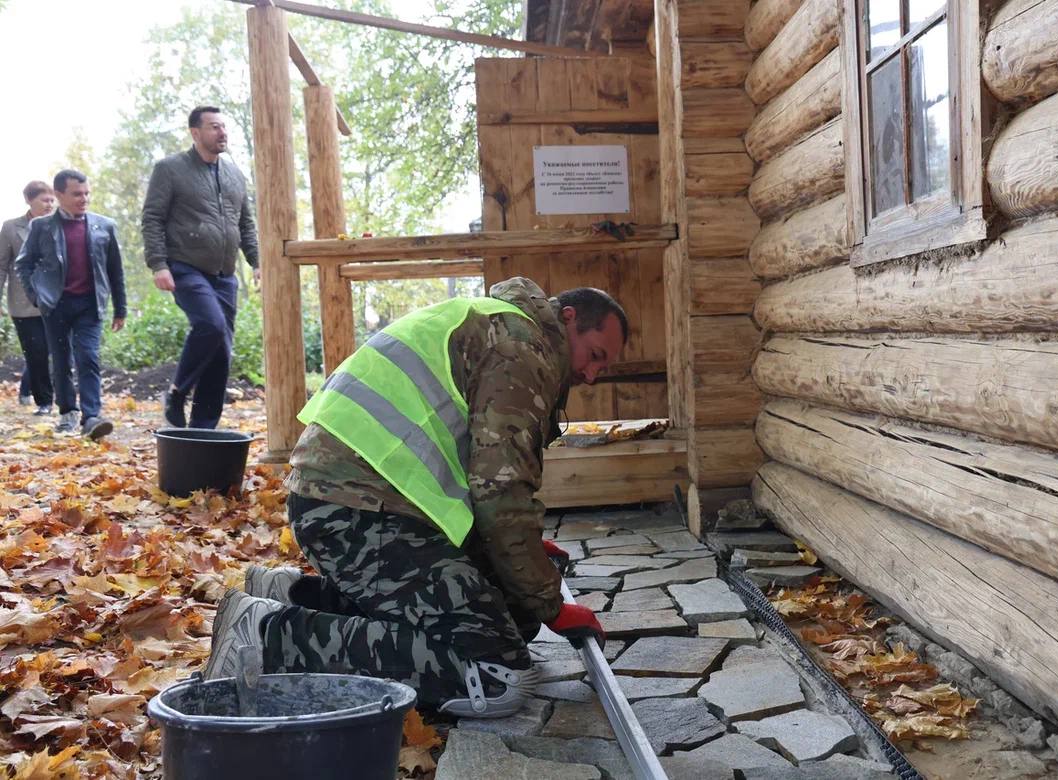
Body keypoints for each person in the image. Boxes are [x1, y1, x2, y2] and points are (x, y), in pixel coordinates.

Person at [204, 277, 624, 716]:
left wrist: (525, 565)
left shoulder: (495, 323)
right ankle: (267, 636)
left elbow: (483, 478)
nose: (591, 375)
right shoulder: (522, 347)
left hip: (357, 502)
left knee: (513, 615)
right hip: (357, 511)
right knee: (497, 675)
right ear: (569, 318)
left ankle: (294, 596)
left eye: (602, 368)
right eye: (594, 356)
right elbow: (502, 490)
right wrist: (552, 605)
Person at [141, 105, 259, 430]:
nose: (222, 133)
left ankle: (202, 429)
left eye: (224, 127)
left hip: (225, 274)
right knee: (210, 325)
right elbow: (152, 218)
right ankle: (177, 392)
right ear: (195, 133)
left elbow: (246, 224)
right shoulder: (170, 169)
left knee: (221, 352)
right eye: (214, 127)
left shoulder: (235, 175)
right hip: (185, 266)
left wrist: (257, 262)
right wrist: (158, 264)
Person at [16, 170, 125, 439]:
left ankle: (92, 417)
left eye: (87, 193)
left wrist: (120, 308)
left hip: (90, 305)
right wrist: (37, 297)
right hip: (56, 305)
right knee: (62, 359)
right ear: (59, 195)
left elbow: (115, 271)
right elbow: (24, 264)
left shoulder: (105, 226)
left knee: (89, 357)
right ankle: (67, 414)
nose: (84, 198)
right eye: (77, 194)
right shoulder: (41, 227)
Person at [0, 181, 55, 415]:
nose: (49, 204)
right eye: (44, 200)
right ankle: (45, 402)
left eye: (52, 200)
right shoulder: (11, 227)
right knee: (36, 351)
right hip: (23, 302)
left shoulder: (58, 224)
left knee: (49, 350)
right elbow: (1, 265)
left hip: (55, 299)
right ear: (29, 201)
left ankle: (26, 386)